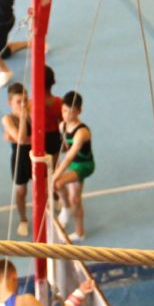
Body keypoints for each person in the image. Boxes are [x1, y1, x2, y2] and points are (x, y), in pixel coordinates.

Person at [54, 91, 95, 241]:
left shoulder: (82, 132)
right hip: (74, 165)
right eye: (64, 111)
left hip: (84, 165)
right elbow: (65, 147)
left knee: (58, 183)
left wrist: (54, 175)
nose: (66, 115)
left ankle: (65, 210)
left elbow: (70, 155)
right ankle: (80, 232)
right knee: (75, 199)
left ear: (79, 111)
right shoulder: (62, 126)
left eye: (71, 112)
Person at [2, 83, 32, 237]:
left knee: (46, 186)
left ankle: (53, 201)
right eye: (18, 101)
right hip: (20, 158)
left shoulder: (32, 111)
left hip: (36, 155)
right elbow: (21, 139)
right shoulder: (7, 119)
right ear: (10, 103)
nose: (23, 104)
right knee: (21, 191)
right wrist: (23, 119)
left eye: (25, 100)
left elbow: (42, 135)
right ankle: (23, 220)